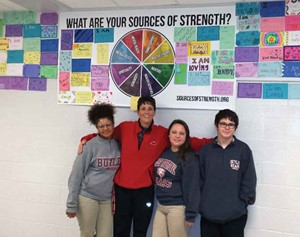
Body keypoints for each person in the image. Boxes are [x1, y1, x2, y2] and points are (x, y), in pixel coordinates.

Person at [78, 96, 212, 237]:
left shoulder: (162, 133)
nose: (146, 112)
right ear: (138, 111)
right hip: (122, 190)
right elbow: (106, 132)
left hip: (144, 191)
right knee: (120, 229)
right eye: (143, 108)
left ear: (154, 112)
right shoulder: (125, 128)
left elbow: (189, 141)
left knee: (140, 230)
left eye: (150, 109)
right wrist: (86, 138)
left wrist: (214, 141)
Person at [198, 109, 257, 237]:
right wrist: (202, 204)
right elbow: (199, 180)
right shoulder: (205, 151)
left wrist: (241, 203)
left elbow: (249, 179)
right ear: (216, 126)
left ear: (235, 128)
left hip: (235, 217)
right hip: (209, 216)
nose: (227, 127)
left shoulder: (243, 150)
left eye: (231, 124)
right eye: (223, 123)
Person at [66, 103, 120, 237]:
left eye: (108, 124)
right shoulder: (89, 146)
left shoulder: (118, 145)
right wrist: (71, 204)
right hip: (87, 197)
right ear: (97, 128)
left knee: (106, 234)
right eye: (101, 126)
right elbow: (76, 176)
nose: (105, 128)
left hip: (106, 199)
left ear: (113, 124)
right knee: (87, 234)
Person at [152, 119, 200, 237]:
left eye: (181, 133)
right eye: (174, 132)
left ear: (186, 137)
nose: (177, 136)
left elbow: (193, 187)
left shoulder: (189, 157)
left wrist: (191, 214)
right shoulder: (164, 151)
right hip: (161, 206)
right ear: (169, 134)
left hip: (177, 208)